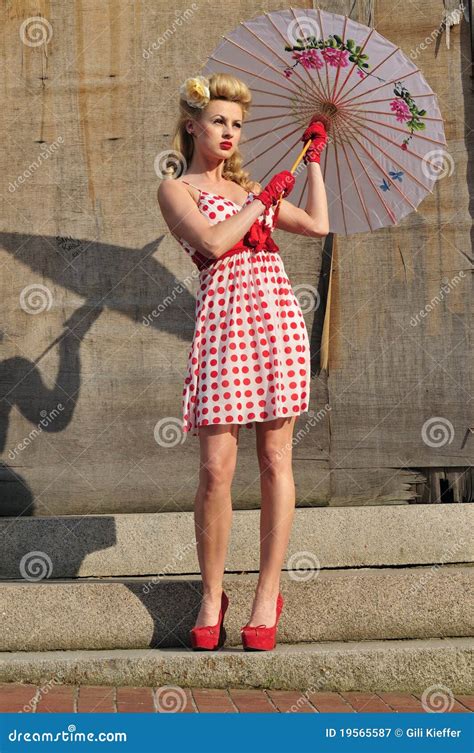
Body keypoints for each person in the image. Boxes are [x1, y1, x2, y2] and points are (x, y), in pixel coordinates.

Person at [158, 72, 329, 651]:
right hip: (224, 329)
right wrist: (260, 198)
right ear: (193, 125)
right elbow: (210, 243)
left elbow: (317, 225)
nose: (229, 131)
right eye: (219, 121)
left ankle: (265, 594)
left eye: (237, 124)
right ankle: (212, 594)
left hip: (275, 319)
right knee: (214, 470)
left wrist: (312, 166)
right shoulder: (176, 189)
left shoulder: (252, 188)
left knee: (277, 459)